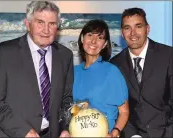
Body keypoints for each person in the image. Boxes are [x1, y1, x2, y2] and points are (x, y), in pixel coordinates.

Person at [0, 1, 73, 137]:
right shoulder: (3, 53)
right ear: (27, 24)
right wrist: (24, 131)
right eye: (40, 22)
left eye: (52, 24)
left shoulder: (65, 55)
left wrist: (65, 128)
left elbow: (66, 99)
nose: (46, 30)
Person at [110, 7, 173, 138]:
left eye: (138, 26)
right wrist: (133, 135)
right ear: (122, 32)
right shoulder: (115, 64)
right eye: (127, 28)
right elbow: (117, 108)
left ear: (147, 29)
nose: (133, 33)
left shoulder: (168, 56)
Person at [73, 19, 129, 137]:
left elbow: (124, 111)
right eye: (90, 35)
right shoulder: (74, 72)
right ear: (83, 39)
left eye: (100, 37)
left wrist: (115, 132)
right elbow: (71, 108)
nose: (93, 41)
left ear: (104, 44)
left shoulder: (112, 72)